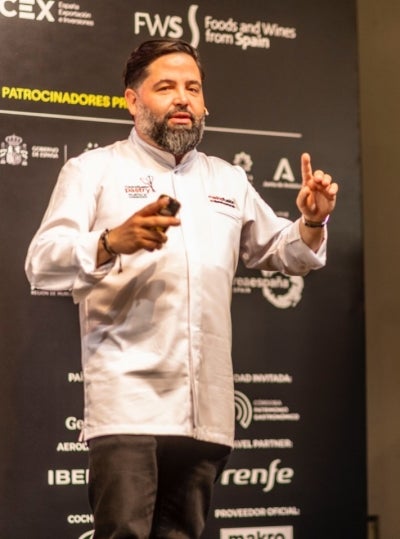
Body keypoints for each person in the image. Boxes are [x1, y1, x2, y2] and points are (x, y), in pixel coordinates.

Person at [25, 38, 338, 539]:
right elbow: (42, 263)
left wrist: (311, 221)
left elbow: (286, 251)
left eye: (192, 87)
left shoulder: (227, 179)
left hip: (204, 408)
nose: (183, 99)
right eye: (166, 86)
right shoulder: (93, 170)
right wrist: (110, 242)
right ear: (132, 100)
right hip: (128, 403)